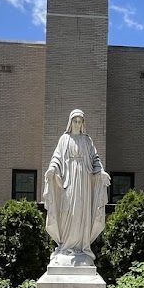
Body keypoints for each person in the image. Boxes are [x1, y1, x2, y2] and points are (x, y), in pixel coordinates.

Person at [43, 109, 110, 265]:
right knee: (67, 211)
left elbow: (95, 159)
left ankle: (81, 247)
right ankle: (65, 246)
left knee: (81, 212)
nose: (77, 124)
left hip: (84, 181)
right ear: (70, 122)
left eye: (80, 121)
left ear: (82, 124)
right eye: (75, 121)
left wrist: (101, 172)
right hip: (69, 180)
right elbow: (57, 157)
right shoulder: (64, 139)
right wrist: (52, 169)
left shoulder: (87, 140)